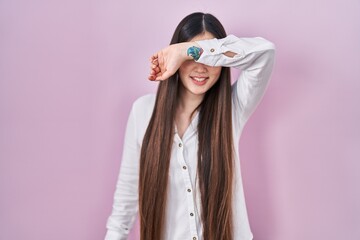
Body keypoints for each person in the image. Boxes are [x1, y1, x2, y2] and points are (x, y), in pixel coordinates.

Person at [105, 12, 275, 240]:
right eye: (192, 58)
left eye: (207, 57)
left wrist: (187, 51)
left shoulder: (233, 108)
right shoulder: (143, 112)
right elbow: (126, 197)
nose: (201, 68)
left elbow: (265, 52)